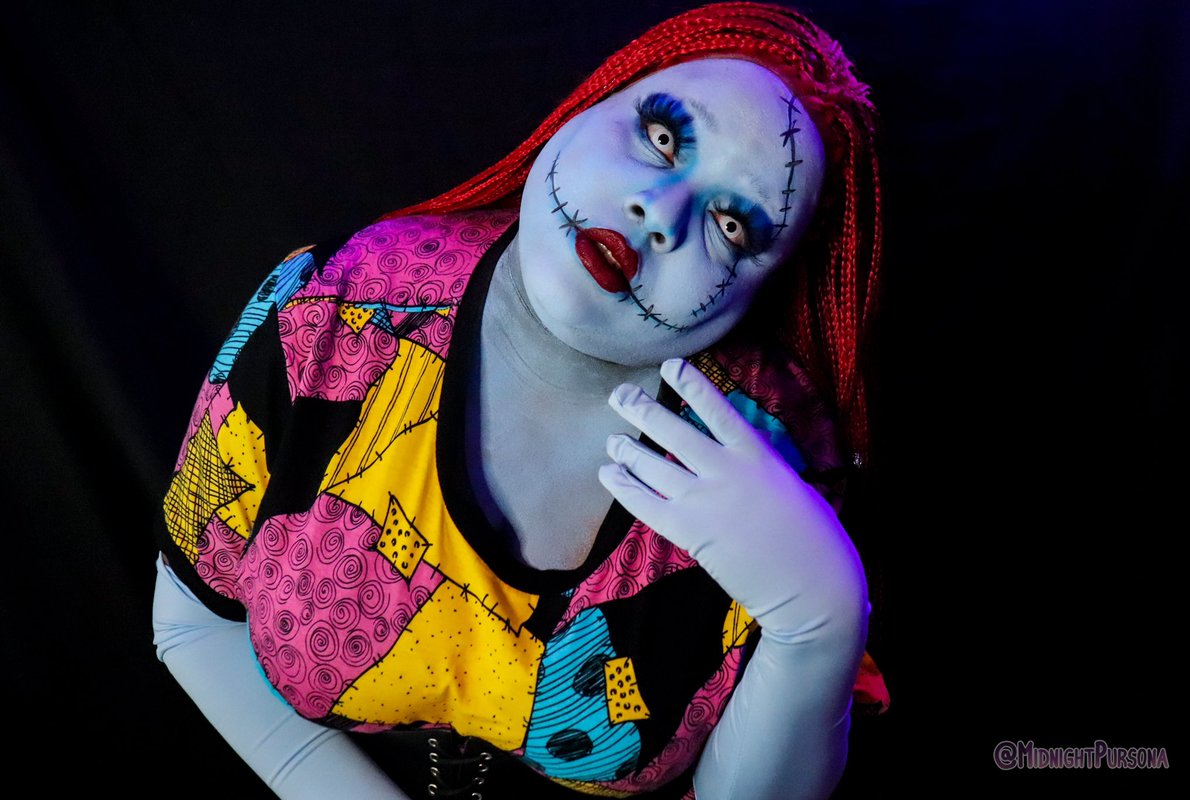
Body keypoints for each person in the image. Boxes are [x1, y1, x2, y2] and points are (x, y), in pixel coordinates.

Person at [151, 3, 890, 798]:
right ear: (591, 102)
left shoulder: (776, 455)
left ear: (758, 294)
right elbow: (192, 622)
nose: (659, 212)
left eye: (731, 226)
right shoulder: (336, 305)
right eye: (662, 136)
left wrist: (818, 625)